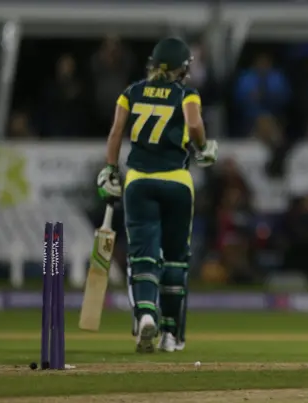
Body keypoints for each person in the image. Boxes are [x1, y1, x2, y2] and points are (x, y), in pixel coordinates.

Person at [97, 37, 218, 353]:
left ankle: (147, 313)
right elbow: (194, 124)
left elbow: (115, 134)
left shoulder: (131, 93)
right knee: (177, 258)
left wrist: (110, 170)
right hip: (177, 182)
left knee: (143, 254)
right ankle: (170, 335)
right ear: (182, 68)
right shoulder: (187, 94)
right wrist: (204, 148)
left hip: (139, 180)